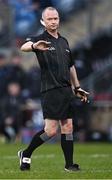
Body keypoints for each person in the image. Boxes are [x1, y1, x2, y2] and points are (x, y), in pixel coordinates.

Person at [18, 6, 89, 172]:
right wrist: (35, 46)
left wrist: (77, 87)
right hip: (50, 90)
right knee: (50, 131)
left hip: (66, 90)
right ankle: (26, 153)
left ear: (59, 19)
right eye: (49, 19)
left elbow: (71, 66)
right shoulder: (40, 38)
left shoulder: (64, 42)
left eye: (55, 18)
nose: (53, 21)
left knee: (68, 127)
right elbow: (24, 46)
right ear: (43, 21)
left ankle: (69, 165)